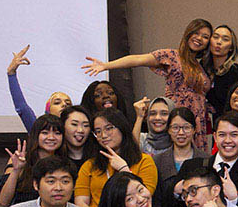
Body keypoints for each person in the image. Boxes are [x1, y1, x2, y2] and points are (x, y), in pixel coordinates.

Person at [83, 19, 213, 150]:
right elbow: (138, 59)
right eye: (196, 33)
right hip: (178, 116)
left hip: (197, 121)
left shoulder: (200, 66)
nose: (199, 38)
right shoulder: (173, 56)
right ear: (188, 33)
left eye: (205, 36)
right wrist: (107, 65)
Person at [165, 112, 238, 207]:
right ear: (215, 137)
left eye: (234, 135)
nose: (228, 140)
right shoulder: (191, 166)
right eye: (222, 135)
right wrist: (176, 192)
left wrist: (234, 200)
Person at [75, 109, 158, 207]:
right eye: (98, 131)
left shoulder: (144, 161)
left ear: (122, 128)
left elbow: (143, 200)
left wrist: (124, 169)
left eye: (109, 128)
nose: (103, 135)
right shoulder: (89, 165)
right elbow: (81, 202)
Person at [0, 115, 66, 207]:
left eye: (57, 133)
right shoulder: (21, 159)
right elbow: (4, 201)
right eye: (45, 133)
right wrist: (16, 170)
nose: (51, 137)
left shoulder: (66, 163)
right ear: (36, 135)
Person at [6, 44, 72, 131]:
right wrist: (11, 74)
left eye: (68, 104)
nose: (64, 105)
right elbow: (22, 108)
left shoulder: (80, 134)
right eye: (57, 103)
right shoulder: (39, 130)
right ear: (48, 111)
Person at [152, 108, 209, 195]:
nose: (181, 132)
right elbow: (156, 200)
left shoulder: (206, 160)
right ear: (169, 130)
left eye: (186, 127)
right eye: (175, 128)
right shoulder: (157, 161)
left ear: (194, 130)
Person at [204, 24, 238, 117]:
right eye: (216, 37)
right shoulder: (201, 67)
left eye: (225, 39)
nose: (219, 42)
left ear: (231, 48)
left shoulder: (236, 71)